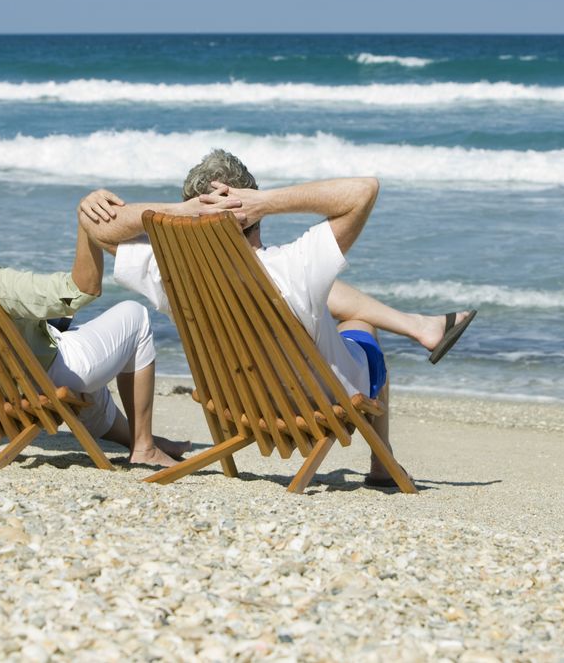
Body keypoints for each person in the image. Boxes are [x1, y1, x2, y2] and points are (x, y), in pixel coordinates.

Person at [76, 150, 476, 486]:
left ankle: (420, 326)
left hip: (238, 406)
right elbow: (364, 189)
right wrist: (265, 201)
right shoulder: (294, 266)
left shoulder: (169, 274)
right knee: (358, 328)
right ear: (251, 209)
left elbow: (98, 227)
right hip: (320, 402)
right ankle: (381, 460)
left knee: (324, 297)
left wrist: (179, 212)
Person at [0, 193, 188, 468]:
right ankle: (145, 449)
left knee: (86, 370)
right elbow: (82, 289)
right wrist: (86, 226)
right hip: (30, 384)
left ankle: (142, 440)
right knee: (134, 316)